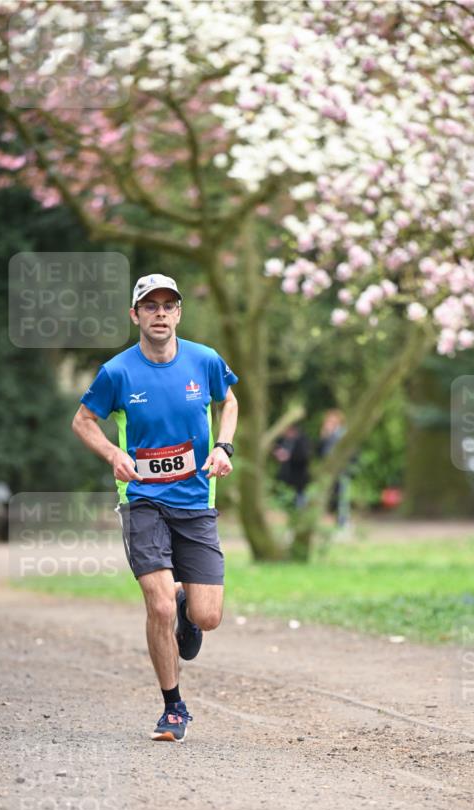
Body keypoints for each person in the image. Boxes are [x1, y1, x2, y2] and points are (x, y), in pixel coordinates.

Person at [72, 273, 238, 743]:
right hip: (142, 501)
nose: (160, 313)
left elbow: (230, 401)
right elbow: (82, 421)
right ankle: (173, 707)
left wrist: (224, 448)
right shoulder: (117, 373)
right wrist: (113, 454)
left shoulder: (204, 361)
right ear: (135, 315)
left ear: (179, 313)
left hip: (195, 501)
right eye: (150, 306)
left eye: (168, 305)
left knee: (206, 617)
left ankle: (189, 606)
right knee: (160, 605)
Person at [273, 424, 311, 508]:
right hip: (285, 474)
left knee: (299, 497)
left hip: (299, 474)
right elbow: (276, 448)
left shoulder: (302, 440)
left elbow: (304, 456)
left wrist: (288, 456)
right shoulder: (283, 439)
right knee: (283, 494)